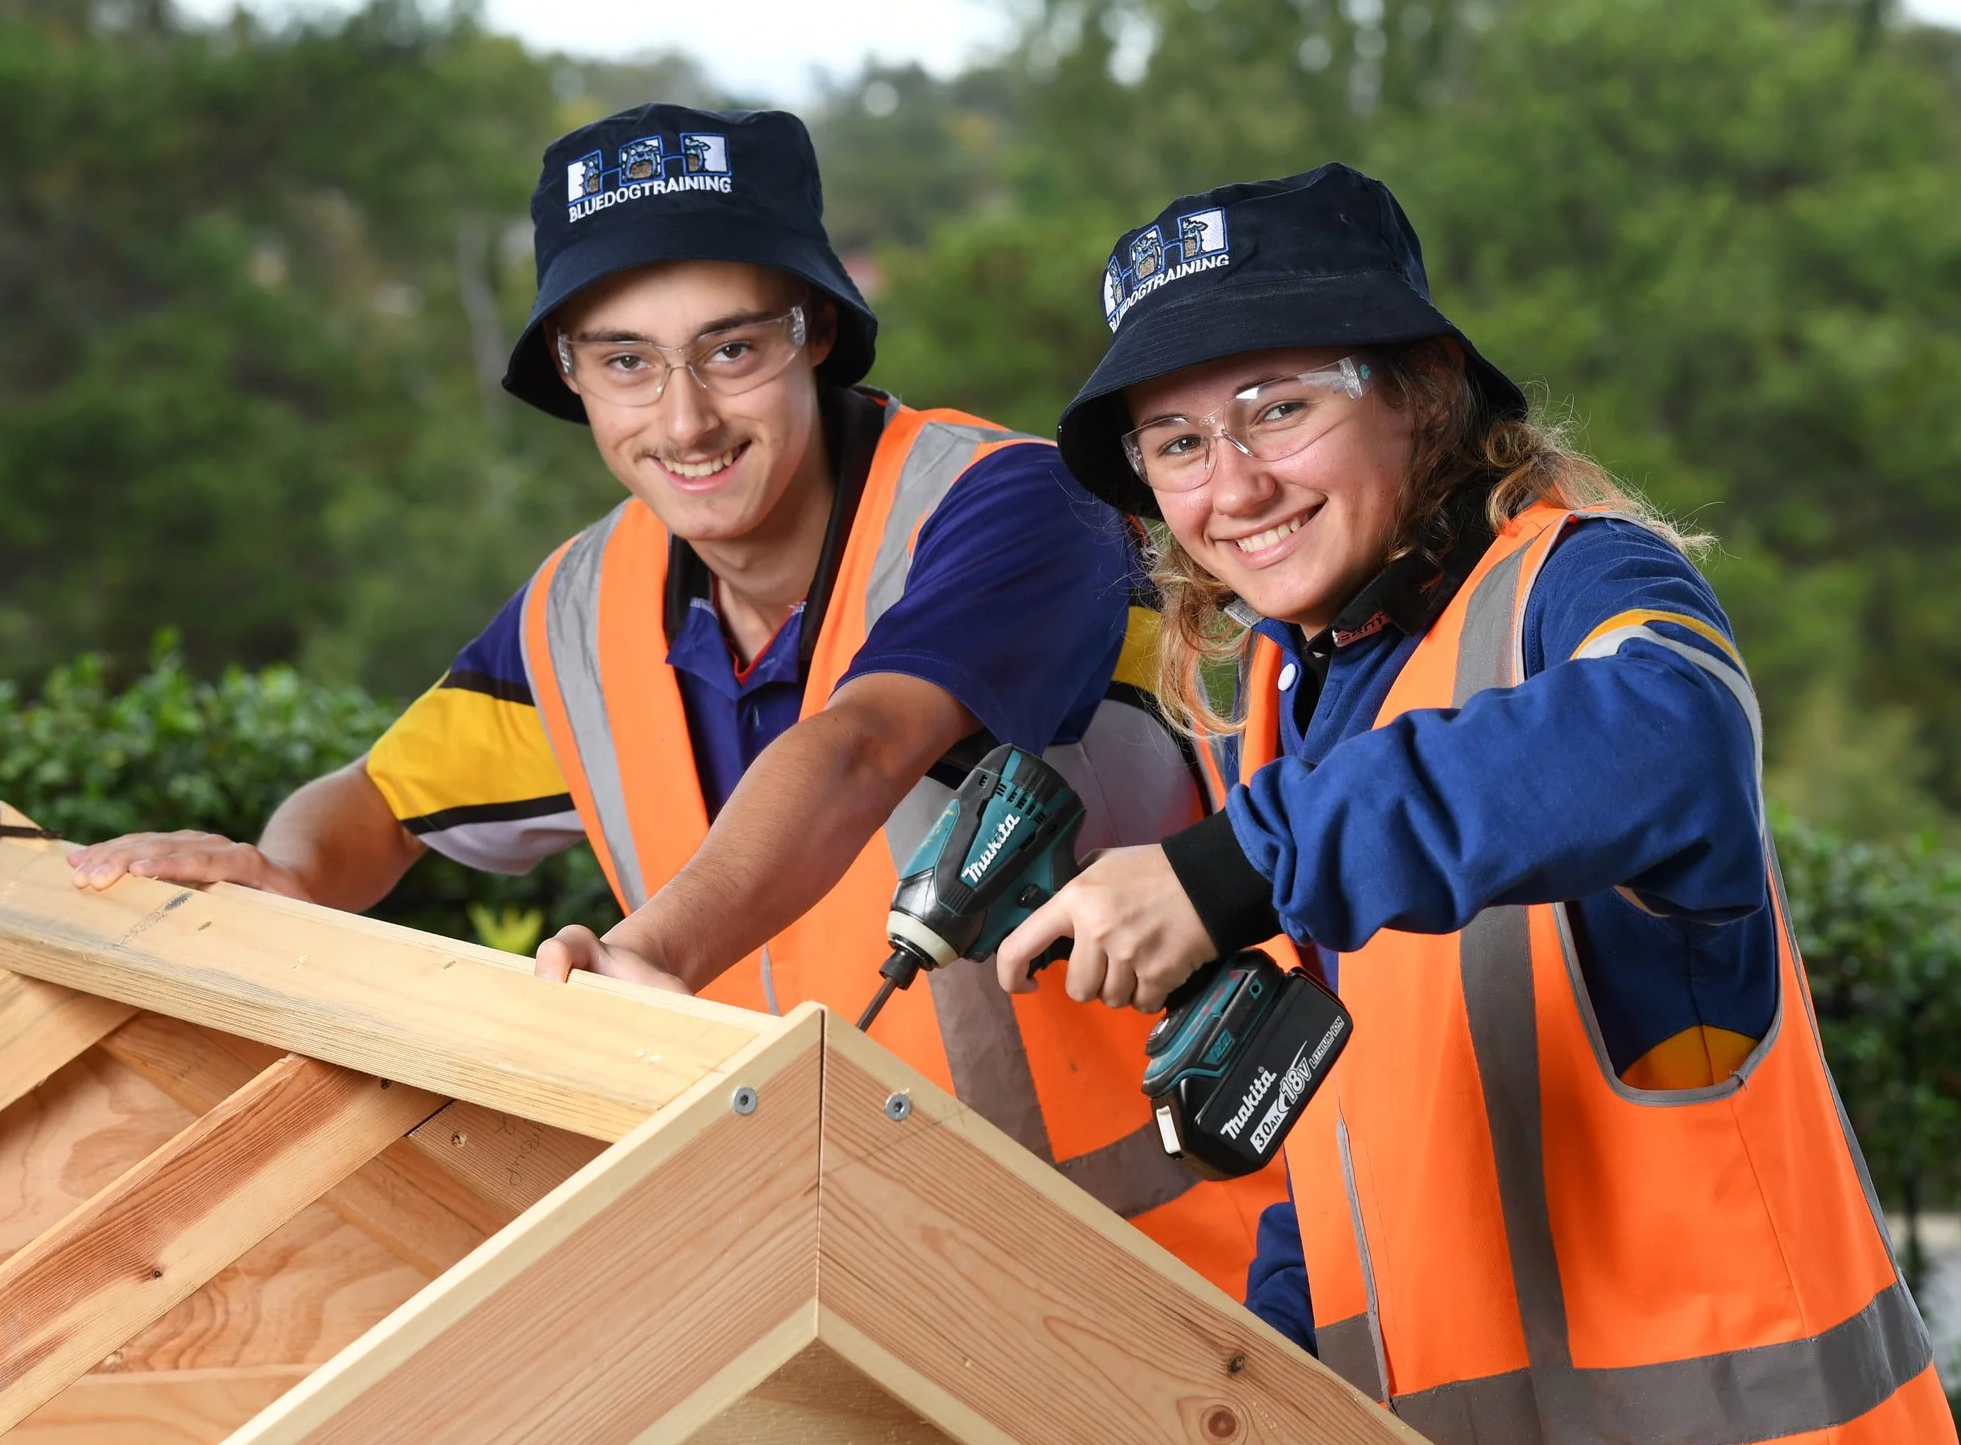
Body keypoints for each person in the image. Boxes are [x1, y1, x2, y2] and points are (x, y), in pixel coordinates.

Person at [64, 105, 1283, 1289]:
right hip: (844, 1285)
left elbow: (860, 746)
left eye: (731, 350)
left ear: (813, 331)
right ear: (569, 372)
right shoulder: (581, 609)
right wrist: (285, 878)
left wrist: (640, 955)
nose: (685, 417)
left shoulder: (1014, 507)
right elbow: (378, 802)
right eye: (627, 364)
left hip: (1167, 1281)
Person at [996, 165, 1961, 1445]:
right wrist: (1244, 1395)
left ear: (1425, 389)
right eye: (1176, 444)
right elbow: (1341, 1134)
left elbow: (1667, 742)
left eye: (1278, 408)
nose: (1232, 485)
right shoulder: (1292, 695)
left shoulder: (1587, 582)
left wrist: (1227, 869)